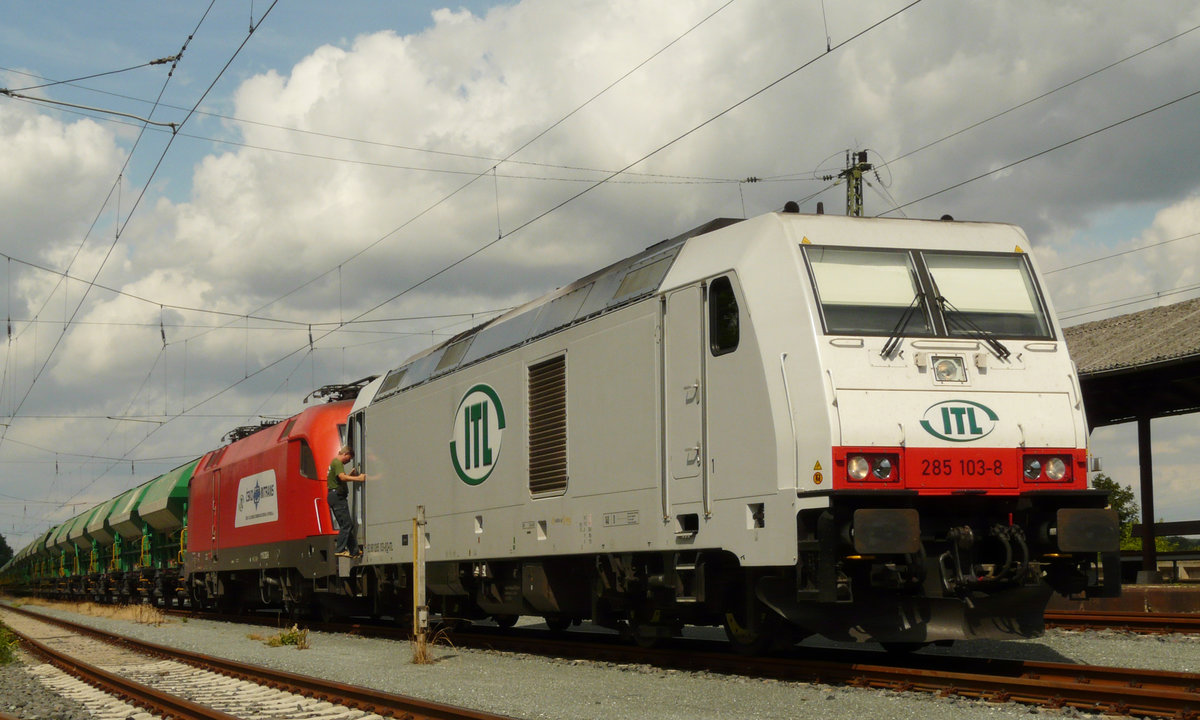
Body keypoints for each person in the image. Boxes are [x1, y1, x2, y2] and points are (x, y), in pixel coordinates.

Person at [327, 445, 366, 558]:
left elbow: (339, 480)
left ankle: (354, 551)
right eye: (348, 459)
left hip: (334, 496)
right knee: (346, 525)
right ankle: (340, 549)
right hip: (337, 497)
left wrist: (350, 476)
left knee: (347, 525)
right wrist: (358, 478)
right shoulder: (337, 463)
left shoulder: (334, 463)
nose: (348, 461)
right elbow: (342, 478)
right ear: (345, 454)